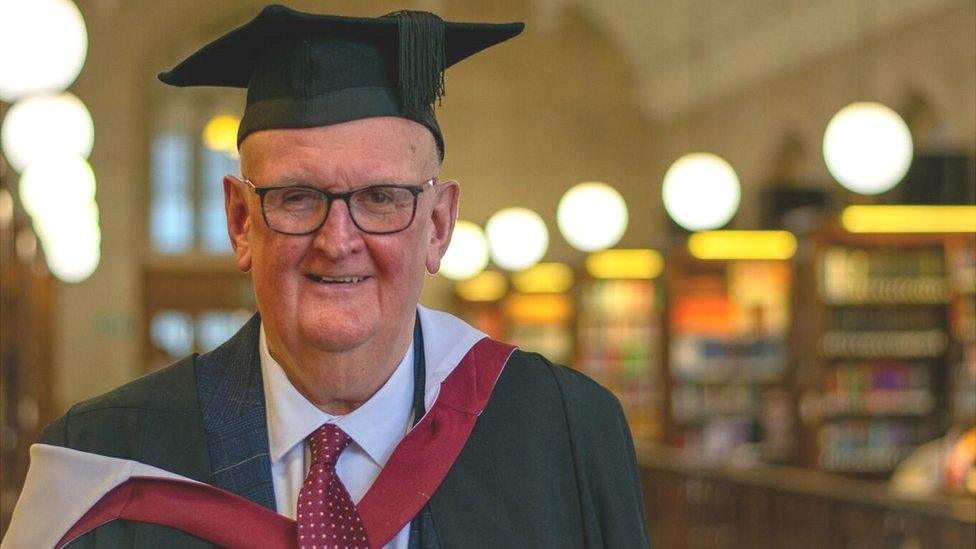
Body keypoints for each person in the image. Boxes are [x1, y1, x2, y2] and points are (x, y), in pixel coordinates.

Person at [3, 5, 649, 548]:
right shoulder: (104, 465)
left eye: (382, 198)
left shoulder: (567, 435)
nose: (338, 242)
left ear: (439, 225)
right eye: (296, 197)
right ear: (239, 221)